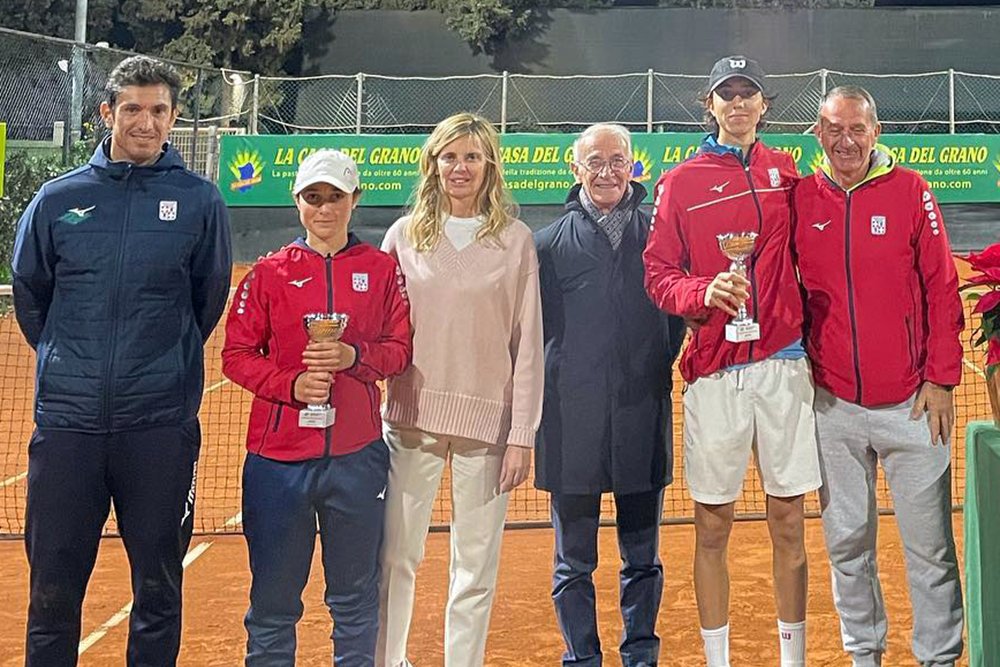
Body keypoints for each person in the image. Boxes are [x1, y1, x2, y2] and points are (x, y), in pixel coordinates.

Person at [11, 55, 231, 666]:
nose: (145, 121)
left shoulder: (199, 202)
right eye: (131, 108)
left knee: (158, 592)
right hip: (69, 430)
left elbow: (205, 300)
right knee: (51, 596)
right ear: (107, 113)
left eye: (158, 109)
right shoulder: (58, 200)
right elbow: (32, 296)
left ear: (174, 116)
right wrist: (71, 360)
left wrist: (155, 364)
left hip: (159, 429)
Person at [642, 55, 820, 667]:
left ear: (764, 105)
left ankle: (791, 658)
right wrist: (701, 294)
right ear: (709, 105)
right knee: (712, 526)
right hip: (715, 368)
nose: (739, 104)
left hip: (784, 361)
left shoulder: (786, 171)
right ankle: (719, 661)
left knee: (790, 522)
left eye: (749, 94)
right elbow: (659, 274)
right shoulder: (681, 181)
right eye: (727, 95)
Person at [792, 86, 964, 667]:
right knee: (846, 545)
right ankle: (864, 654)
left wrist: (941, 378)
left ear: (876, 132)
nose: (846, 140)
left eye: (857, 129)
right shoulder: (801, 199)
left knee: (931, 549)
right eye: (834, 129)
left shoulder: (912, 191)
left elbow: (943, 288)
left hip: (915, 404)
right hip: (832, 406)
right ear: (818, 133)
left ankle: (938, 658)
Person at [221, 149, 412, 665]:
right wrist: (290, 385)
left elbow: (399, 351)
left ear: (355, 200)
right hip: (277, 464)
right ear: (297, 201)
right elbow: (235, 356)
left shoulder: (381, 270)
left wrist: (355, 356)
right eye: (313, 198)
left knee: (354, 600)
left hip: (357, 458)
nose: (323, 209)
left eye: (334, 197)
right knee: (273, 605)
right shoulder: (266, 274)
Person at [375, 112, 544, 667]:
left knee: (475, 566)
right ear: (433, 163)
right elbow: (380, 326)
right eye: (450, 156)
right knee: (397, 556)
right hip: (409, 422)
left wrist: (522, 435)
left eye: (472, 156)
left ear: (489, 165)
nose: (460, 167)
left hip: (489, 432)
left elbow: (528, 346)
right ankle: (389, 659)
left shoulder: (515, 241)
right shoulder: (402, 236)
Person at [534, 123, 685, 667]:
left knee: (642, 558)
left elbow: (674, 324)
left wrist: (648, 371)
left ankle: (640, 655)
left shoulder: (660, 235)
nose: (606, 171)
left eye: (616, 160)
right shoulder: (546, 245)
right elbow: (537, 332)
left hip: (641, 415)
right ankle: (582, 657)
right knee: (573, 562)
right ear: (575, 170)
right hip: (568, 421)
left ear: (632, 165)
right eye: (594, 161)